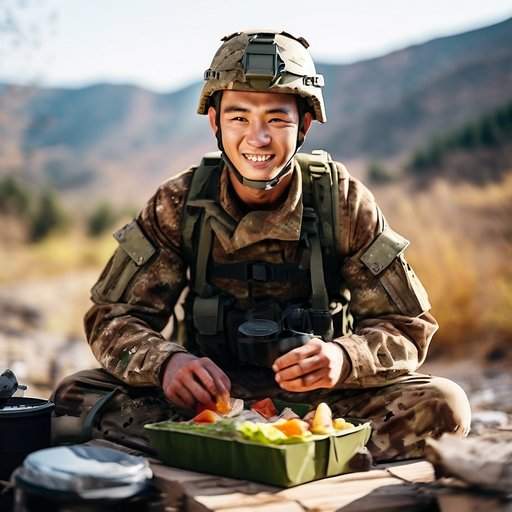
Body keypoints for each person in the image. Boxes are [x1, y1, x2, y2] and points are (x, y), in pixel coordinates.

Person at [52, 30, 471, 461]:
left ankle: (214, 453)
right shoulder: (178, 203)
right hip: (205, 404)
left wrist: (344, 358)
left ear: (304, 124)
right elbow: (112, 318)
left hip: (320, 403)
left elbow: (406, 326)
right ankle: (305, 457)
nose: (258, 139)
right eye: (238, 118)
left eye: (277, 119)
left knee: (445, 405)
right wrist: (166, 363)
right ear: (214, 122)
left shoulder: (341, 201)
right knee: (72, 398)